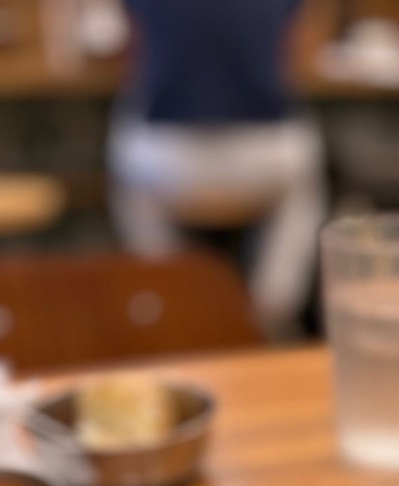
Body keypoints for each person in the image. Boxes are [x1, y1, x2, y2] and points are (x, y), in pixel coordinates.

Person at [108, 0, 325, 336]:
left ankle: (169, 299)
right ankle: (271, 308)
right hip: (266, 156)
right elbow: (296, 56)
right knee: (305, 179)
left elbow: (133, 52)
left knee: (128, 173)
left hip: (167, 158)